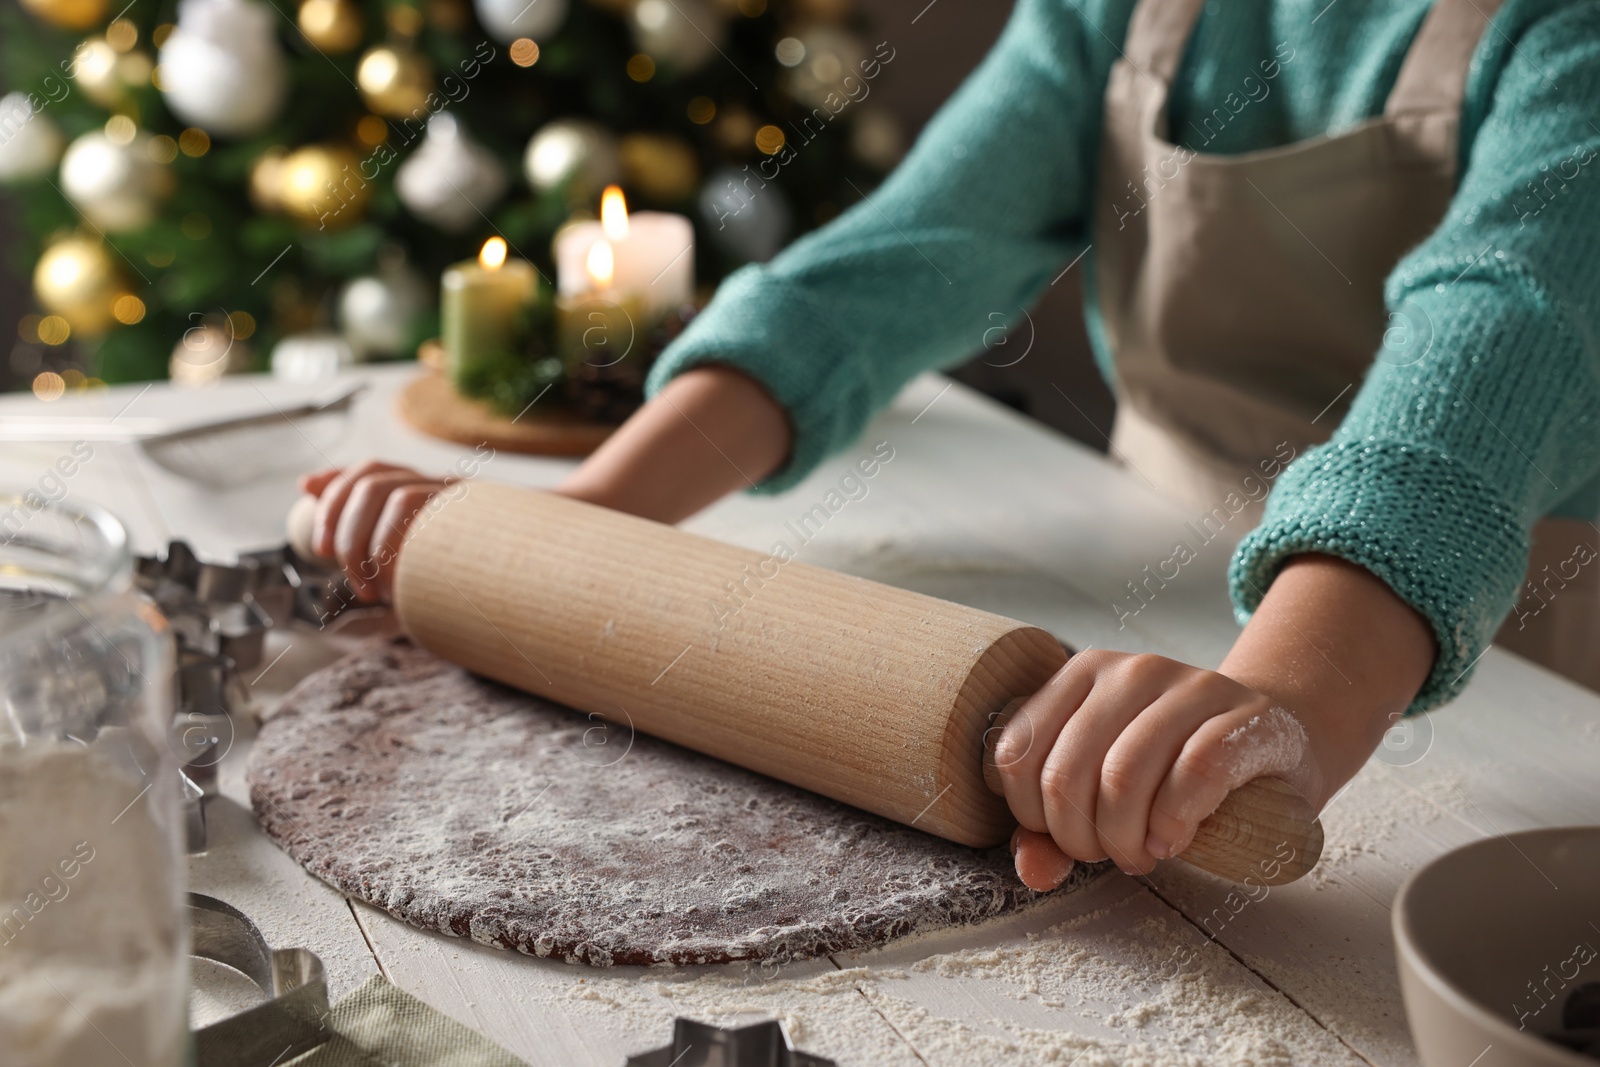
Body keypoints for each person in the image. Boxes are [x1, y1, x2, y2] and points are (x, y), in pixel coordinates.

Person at [301, 0, 1600, 892]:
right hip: (1146, 557)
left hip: (1462, 641)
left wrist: (1287, 712)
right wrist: (581, 523)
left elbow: (1498, 350)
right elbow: (898, 261)